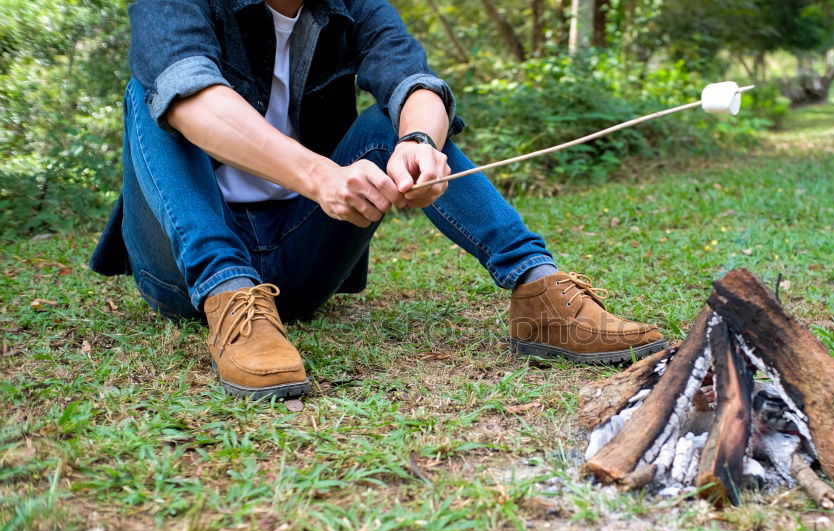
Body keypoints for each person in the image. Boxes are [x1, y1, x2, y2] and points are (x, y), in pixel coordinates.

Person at [90, 0, 665, 400]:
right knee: (155, 91)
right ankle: (231, 297)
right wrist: (318, 176)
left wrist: (420, 144)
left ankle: (536, 290)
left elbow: (416, 82)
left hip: (297, 254)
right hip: (181, 267)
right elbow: (193, 99)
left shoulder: (350, 2)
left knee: (400, 122)